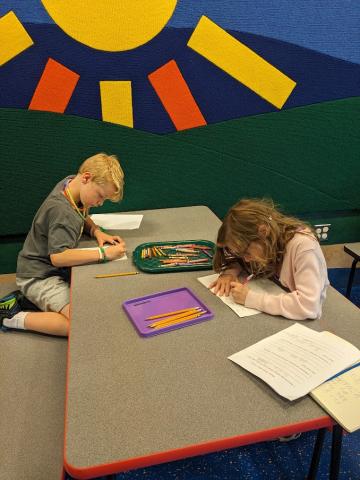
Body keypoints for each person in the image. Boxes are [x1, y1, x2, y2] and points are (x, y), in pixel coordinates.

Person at [0, 152, 126, 336]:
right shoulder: (61, 212)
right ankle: (11, 316)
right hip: (38, 277)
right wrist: (103, 253)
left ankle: (34, 302)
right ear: (86, 178)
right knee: (81, 323)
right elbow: (59, 257)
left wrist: (95, 231)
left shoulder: (70, 184)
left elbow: (81, 213)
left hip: (51, 270)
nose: (99, 203)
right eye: (100, 196)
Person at [210, 198, 329, 320]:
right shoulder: (268, 242)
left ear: (263, 232)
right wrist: (231, 272)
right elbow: (243, 262)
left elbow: (309, 307)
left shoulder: (304, 248)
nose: (246, 259)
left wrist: (250, 298)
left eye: (246, 252)